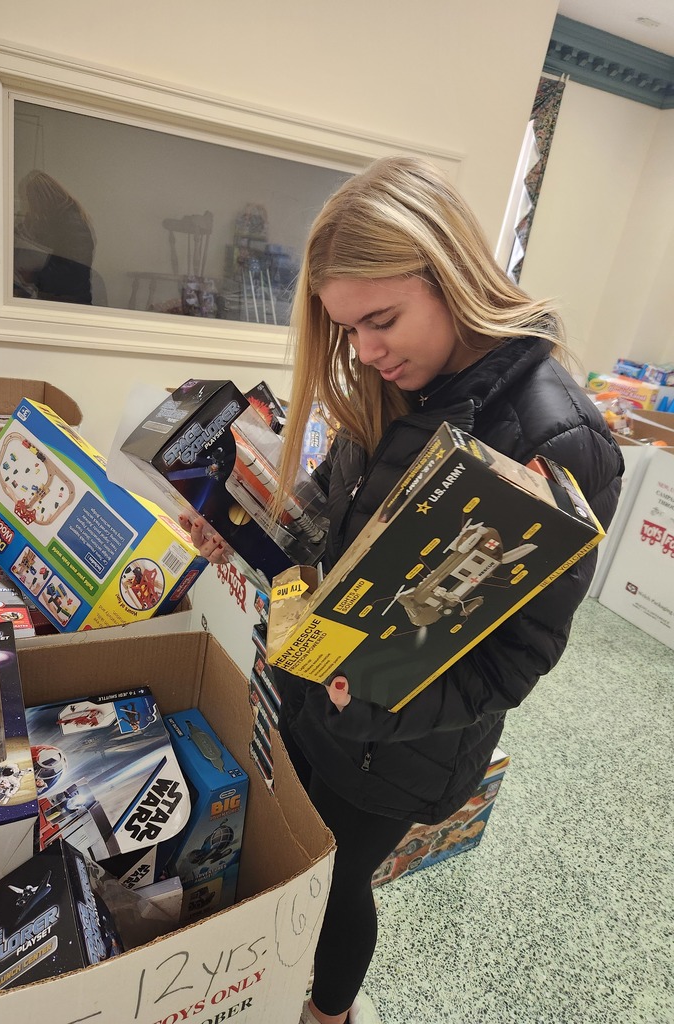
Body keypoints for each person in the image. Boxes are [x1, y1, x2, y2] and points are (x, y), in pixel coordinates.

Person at [182, 155, 623, 1024]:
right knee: (295, 865)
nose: (366, 351)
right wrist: (239, 532)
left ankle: (330, 1015)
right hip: (316, 694)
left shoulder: (555, 439)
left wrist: (374, 704)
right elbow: (335, 533)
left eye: (381, 320)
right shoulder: (395, 383)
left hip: (401, 744)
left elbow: (517, 662)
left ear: (450, 275)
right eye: (347, 329)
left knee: (338, 877)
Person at [14, 169, 96, 305]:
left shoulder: (70, 223)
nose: (28, 206)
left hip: (70, 302)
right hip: (62, 298)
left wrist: (34, 276)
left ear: (41, 199)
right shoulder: (58, 219)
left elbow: (74, 271)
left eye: (30, 200)